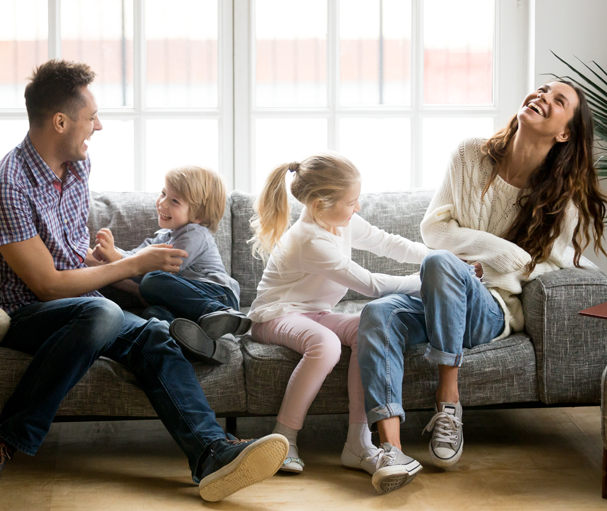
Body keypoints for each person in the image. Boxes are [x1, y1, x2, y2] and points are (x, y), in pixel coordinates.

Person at [0, 59, 288, 502]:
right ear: (60, 121)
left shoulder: (76, 170)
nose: (99, 125)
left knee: (155, 334)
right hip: (29, 314)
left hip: (89, 309)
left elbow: (72, 254)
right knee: (101, 309)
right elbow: (47, 286)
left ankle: (211, 454)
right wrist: (134, 265)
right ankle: (9, 436)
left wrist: (103, 260)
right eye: (90, 117)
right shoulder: (10, 182)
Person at [357, 80, 607, 494]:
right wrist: (501, 251)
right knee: (378, 312)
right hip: (441, 298)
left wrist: (499, 268)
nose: (542, 96)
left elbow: (556, 262)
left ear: (565, 133)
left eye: (558, 100)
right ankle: (392, 450)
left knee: (442, 263)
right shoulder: (471, 153)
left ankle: (449, 403)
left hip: (492, 309)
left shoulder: (564, 196)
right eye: (543, 88)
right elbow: (433, 227)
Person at [248, 152, 430, 492]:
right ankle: (283, 438)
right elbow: (372, 285)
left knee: (369, 329)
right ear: (319, 205)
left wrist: (434, 257)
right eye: (351, 202)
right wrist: (426, 280)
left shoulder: (339, 222)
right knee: (326, 344)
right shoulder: (311, 240)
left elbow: (387, 243)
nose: (357, 208)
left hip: (314, 312)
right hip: (275, 315)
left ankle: (358, 444)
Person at [92, 165, 251, 363]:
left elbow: (150, 268)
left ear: (198, 215)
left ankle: (220, 313)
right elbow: (135, 257)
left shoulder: (194, 234)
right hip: (187, 309)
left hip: (217, 295)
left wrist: (114, 257)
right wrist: (109, 254)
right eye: (163, 193)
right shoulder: (162, 237)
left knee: (152, 281)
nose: (162, 203)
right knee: (153, 315)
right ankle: (204, 346)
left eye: (174, 201)